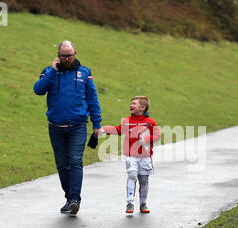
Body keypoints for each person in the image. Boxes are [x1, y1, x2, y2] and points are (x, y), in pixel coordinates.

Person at [33, 40, 102, 217]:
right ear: (58, 55)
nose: (66, 59)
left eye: (69, 55)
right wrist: (52, 71)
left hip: (77, 126)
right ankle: (68, 198)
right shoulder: (49, 72)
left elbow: (92, 99)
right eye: (63, 56)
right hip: (55, 127)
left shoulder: (85, 73)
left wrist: (97, 125)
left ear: (75, 53)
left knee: (75, 160)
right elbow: (38, 90)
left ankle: (74, 199)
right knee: (62, 164)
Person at [99, 96, 160, 214]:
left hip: (145, 156)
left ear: (142, 108)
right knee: (132, 176)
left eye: (134, 103)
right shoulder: (126, 121)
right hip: (131, 155)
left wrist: (146, 139)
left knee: (143, 180)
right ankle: (130, 203)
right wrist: (105, 129)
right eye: (131, 103)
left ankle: (143, 204)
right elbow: (118, 130)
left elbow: (157, 136)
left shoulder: (150, 122)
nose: (131, 105)